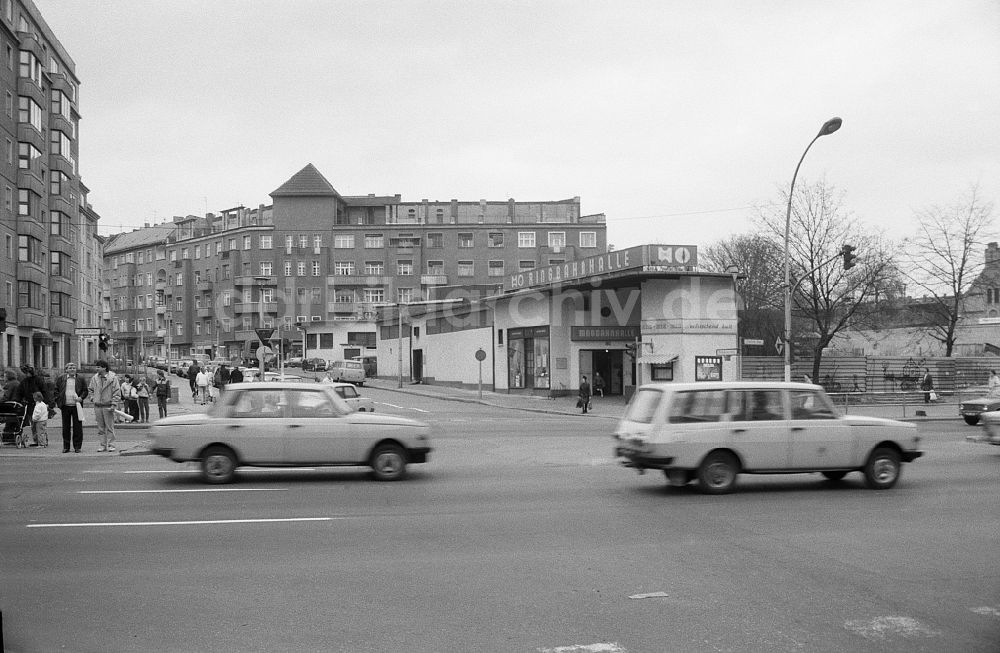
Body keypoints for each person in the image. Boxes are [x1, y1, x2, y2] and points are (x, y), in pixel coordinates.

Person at [88, 360, 122, 452]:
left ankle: (111, 444)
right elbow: (90, 389)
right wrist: (92, 398)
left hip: (108, 405)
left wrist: (114, 403)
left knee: (109, 426)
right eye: (96, 367)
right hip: (98, 405)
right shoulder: (95, 378)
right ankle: (102, 445)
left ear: (104, 368)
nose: (97, 369)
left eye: (98, 367)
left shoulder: (113, 378)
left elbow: (117, 392)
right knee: (100, 427)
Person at [55, 362, 89, 453]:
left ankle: (77, 447)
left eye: (74, 367)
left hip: (77, 406)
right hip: (65, 406)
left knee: (77, 427)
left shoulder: (80, 378)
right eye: (70, 367)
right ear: (66, 370)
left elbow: (85, 390)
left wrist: (81, 398)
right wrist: (58, 401)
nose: (72, 369)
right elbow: (56, 390)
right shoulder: (61, 378)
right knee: (66, 427)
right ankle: (66, 447)